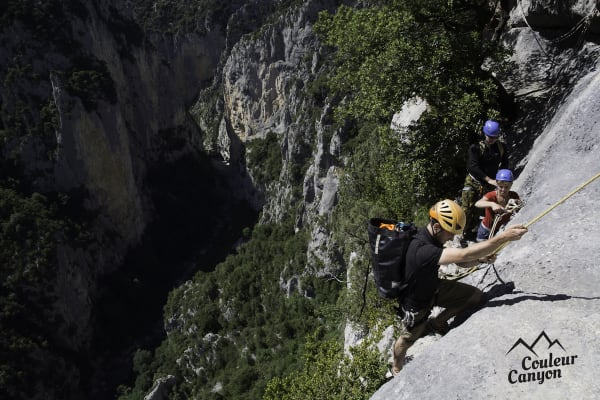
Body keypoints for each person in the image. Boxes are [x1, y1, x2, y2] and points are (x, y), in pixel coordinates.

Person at [391, 199, 527, 375]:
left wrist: (480, 259)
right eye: (450, 233)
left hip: (433, 287)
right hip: (416, 303)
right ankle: (396, 365)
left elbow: (460, 260)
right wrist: (502, 237)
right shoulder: (423, 250)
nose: (452, 237)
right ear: (437, 227)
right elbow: (463, 254)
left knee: (475, 296)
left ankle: (438, 322)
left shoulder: (431, 236)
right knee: (407, 339)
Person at [461, 120, 510, 241]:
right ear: (485, 134)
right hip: (473, 182)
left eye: (494, 137)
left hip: (489, 183)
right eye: (489, 137)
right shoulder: (476, 148)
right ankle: (462, 233)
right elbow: (472, 167)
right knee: (467, 209)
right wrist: (488, 179)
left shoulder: (501, 148)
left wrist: (500, 179)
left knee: (481, 210)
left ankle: (476, 232)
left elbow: (505, 163)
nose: (491, 139)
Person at [474, 169, 522, 242]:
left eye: (506, 187)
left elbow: (517, 209)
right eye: (501, 186)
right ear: (496, 184)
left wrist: (517, 204)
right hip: (486, 229)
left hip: (501, 228)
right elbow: (478, 203)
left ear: (511, 185)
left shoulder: (514, 195)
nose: (503, 189)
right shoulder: (491, 196)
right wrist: (492, 204)